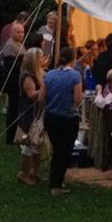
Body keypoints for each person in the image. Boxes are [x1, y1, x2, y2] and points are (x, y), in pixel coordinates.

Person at [40, 46, 83, 196]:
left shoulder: (49, 74)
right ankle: (56, 185)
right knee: (64, 151)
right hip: (68, 118)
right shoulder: (75, 76)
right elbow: (78, 99)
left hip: (51, 117)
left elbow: (41, 98)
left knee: (57, 150)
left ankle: (56, 179)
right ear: (73, 59)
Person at [15, 47, 46, 185]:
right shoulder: (28, 77)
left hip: (38, 113)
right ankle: (24, 174)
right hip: (29, 113)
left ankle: (35, 172)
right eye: (41, 57)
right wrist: (45, 87)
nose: (44, 59)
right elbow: (32, 95)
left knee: (36, 144)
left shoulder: (39, 73)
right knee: (28, 145)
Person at [0, 21, 26, 145]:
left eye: (22, 32)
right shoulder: (10, 46)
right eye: (18, 32)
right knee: (13, 110)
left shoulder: (19, 44)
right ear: (12, 33)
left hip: (19, 81)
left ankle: (16, 134)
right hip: (13, 82)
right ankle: (10, 137)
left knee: (17, 109)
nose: (21, 34)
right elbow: (12, 67)